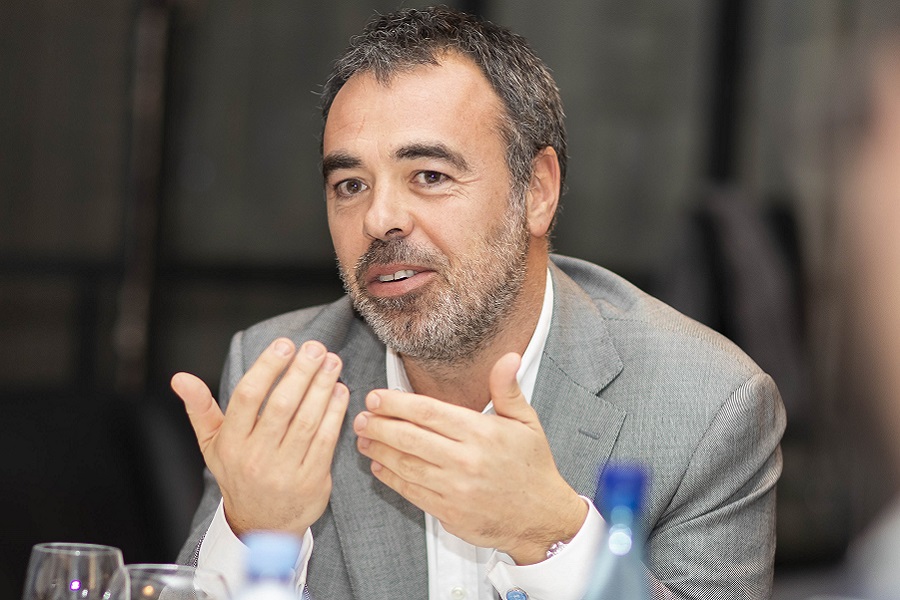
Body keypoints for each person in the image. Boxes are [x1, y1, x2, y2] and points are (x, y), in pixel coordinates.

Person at [171, 7, 786, 600]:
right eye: (350, 185)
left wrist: (552, 541)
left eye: (429, 176)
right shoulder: (280, 379)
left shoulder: (706, 405)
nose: (379, 219)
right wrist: (255, 533)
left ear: (536, 191)